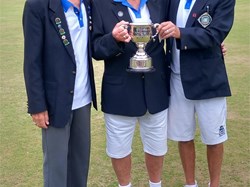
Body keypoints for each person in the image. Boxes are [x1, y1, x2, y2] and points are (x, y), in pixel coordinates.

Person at [91, 0, 170, 186]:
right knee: (118, 150)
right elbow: (95, 48)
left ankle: (155, 184)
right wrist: (113, 38)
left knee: (157, 147)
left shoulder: (161, 2)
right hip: (119, 91)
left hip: (155, 89)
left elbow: (178, 27)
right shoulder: (100, 4)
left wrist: (217, 45)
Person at [157, 0, 235, 186]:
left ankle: (214, 184)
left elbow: (216, 33)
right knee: (184, 137)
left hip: (208, 79)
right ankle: (190, 183)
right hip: (176, 78)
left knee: (214, 139)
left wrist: (180, 33)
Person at [22, 0, 97, 186]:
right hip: (55, 102)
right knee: (56, 170)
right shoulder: (37, 6)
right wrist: (37, 105)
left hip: (83, 99)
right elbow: (32, 61)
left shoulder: (88, 4)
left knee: (79, 166)